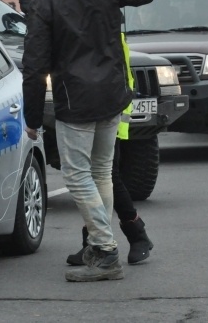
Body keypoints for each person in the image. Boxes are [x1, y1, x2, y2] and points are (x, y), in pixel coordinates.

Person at [22, 0, 156, 282]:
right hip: (112, 97)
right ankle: (100, 248)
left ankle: (106, 249)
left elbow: (34, 66)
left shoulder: (44, 2)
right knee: (100, 173)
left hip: (75, 103)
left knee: (78, 176)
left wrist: (32, 116)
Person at [65, 34, 154, 268]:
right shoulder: (95, 25)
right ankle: (97, 242)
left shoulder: (108, 32)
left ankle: (136, 236)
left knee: (106, 176)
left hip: (111, 112)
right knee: (98, 177)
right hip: (99, 109)